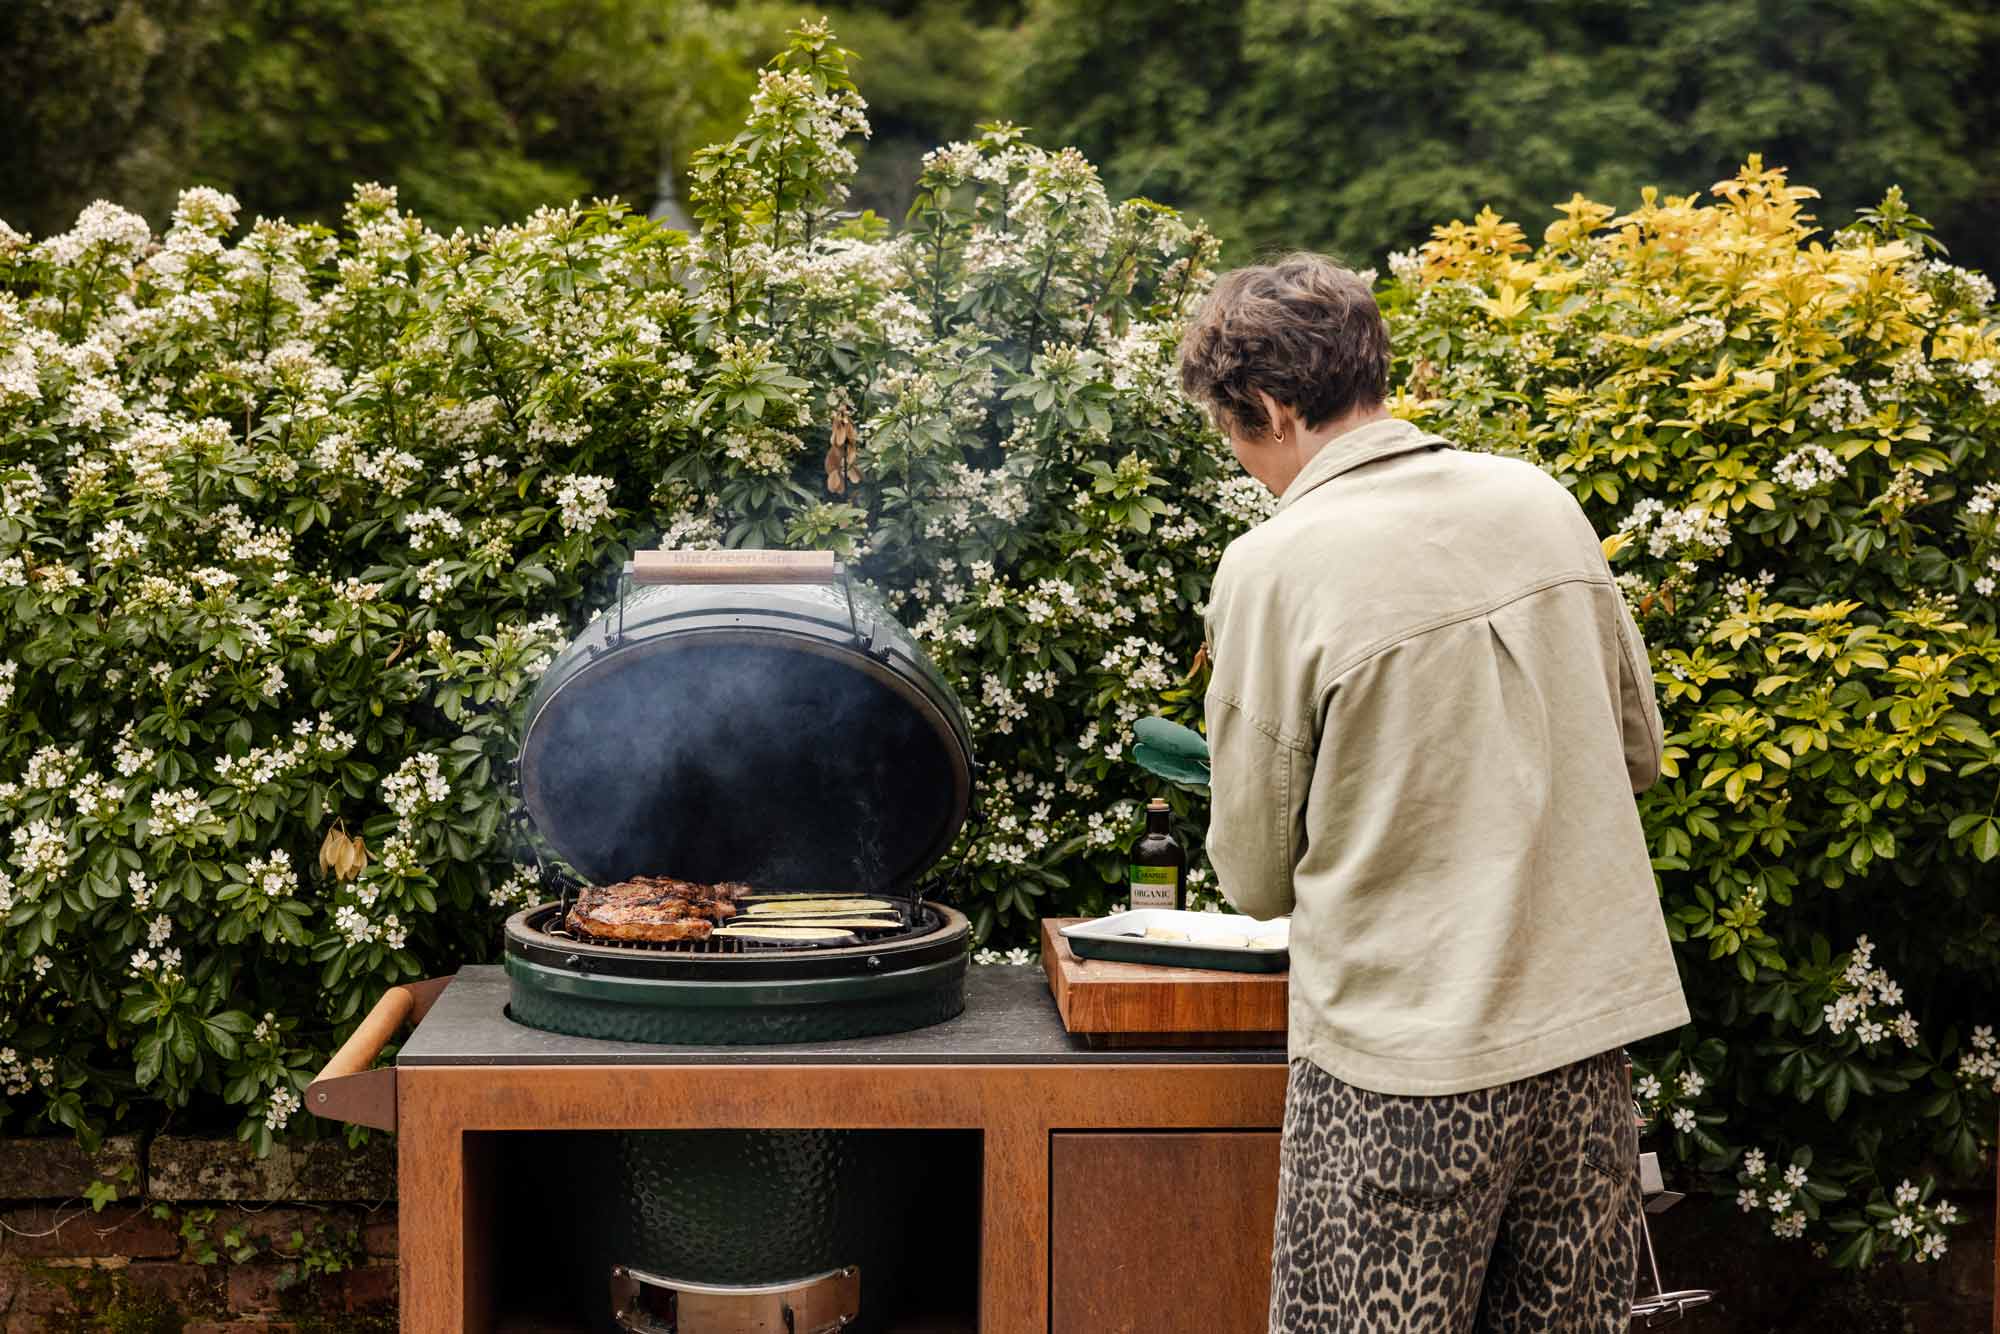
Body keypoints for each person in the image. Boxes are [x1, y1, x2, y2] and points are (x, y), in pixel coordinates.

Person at [1177, 253, 1690, 1333]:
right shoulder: (1537, 501)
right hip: (1582, 1050)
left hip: (1399, 1071)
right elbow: (1636, 750)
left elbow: (1255, 874)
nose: (1242, 464)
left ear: (1266, 407)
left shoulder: (1272, 566)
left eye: (1233, 434)